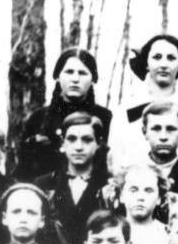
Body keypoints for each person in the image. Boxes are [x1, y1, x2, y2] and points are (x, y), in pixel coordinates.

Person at [14, 48, 113, 181]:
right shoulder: (38, 118)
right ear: (57, 76)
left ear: (93, 79)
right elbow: (23, 171)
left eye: (82, 73)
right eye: (69, 72)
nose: (75, 79)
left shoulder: (106, 118)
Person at [34, 112, 109, 244]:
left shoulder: (108, 185)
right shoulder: (44, 184)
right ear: (63, 143)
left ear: (98, 144)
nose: (79, 146)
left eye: (87, 140)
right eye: (72, 139)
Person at [110, 34, 178, 169]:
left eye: (171, 58)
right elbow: (115, 160)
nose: (164, 64)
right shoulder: (125, 111)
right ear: (146, 63)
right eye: (157, 57)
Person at [116, 164, 170, 244]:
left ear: (159, 199)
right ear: (121, 196)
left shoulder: (168, 234)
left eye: (148, 191)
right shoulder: (109, 231)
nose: (140, 197)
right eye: (133, 190)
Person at [140, 101, 178, 200]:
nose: (163, 137)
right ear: (145, 132)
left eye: (171, 129)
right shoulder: (129, 175)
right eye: (156, 129)